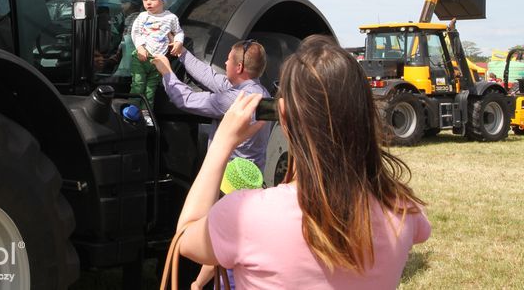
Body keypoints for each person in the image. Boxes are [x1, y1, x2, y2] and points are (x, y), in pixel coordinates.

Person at [176, 35, 431, 289]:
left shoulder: (246, 214)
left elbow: (185, 239)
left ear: (283, 115)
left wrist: (221, 144)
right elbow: (421, 232)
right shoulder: (401, 208)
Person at [151, 40, 271, 171]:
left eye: (228, 59)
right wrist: (181, 52)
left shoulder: (236, 100)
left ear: (239, 67)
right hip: (251, 177)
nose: (225, 63)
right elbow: (210, 76)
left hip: (229, 182)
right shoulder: (261, 92)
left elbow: (186, 99)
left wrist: (166, 72)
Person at [129, 0, 184, 109]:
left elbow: (178, 32)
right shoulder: (142, 16)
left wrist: (178, 42)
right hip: (141, 57)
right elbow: (135, 33)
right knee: (137, 85)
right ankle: (131, 110)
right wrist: (140, 47)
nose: (148, 2)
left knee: (150, 90)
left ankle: (146, 113)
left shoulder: (170, 18)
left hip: (158, 61)